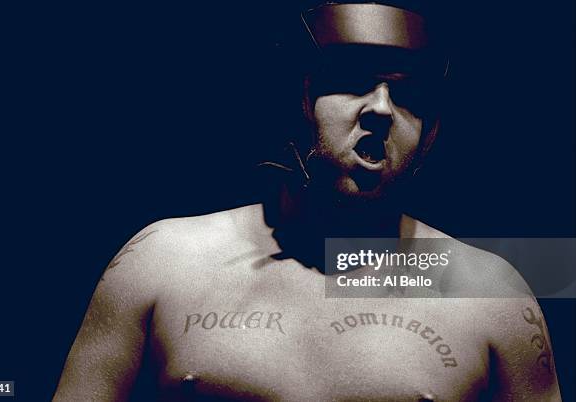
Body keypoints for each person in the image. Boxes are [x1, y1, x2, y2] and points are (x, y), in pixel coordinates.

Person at [53, 2, 562, 401]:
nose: (382, 109)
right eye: (351, 80)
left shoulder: (488, 292)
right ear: (295, 100)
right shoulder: (164, 260)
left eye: (410, 94)